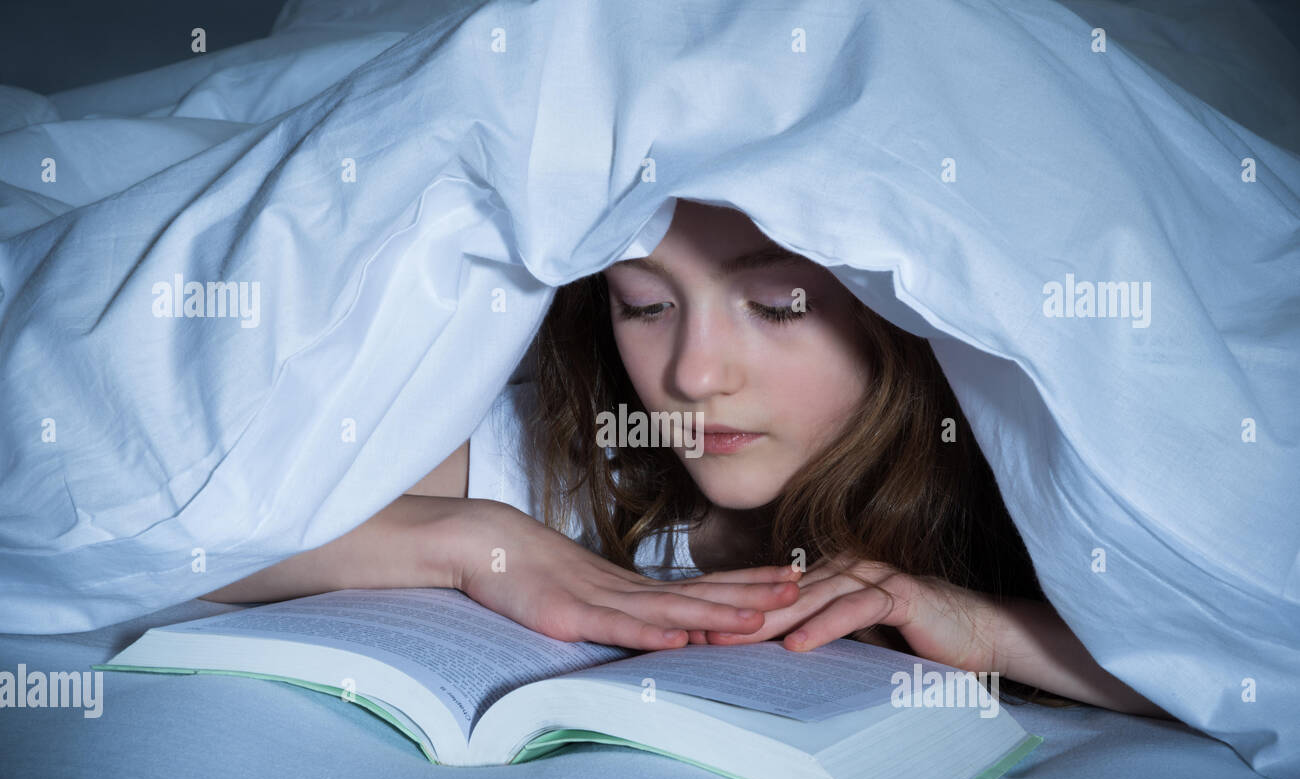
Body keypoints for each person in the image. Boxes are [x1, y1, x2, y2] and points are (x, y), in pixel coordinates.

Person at [201, 199, 1170, 719]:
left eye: (778, 306)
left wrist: (994, 632)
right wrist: (465, 539)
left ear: (907, 318)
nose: (693, 374)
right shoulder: (549, 447)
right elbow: (169, 544)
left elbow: (1253, 674)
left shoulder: (1046, 491)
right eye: (645, 304)